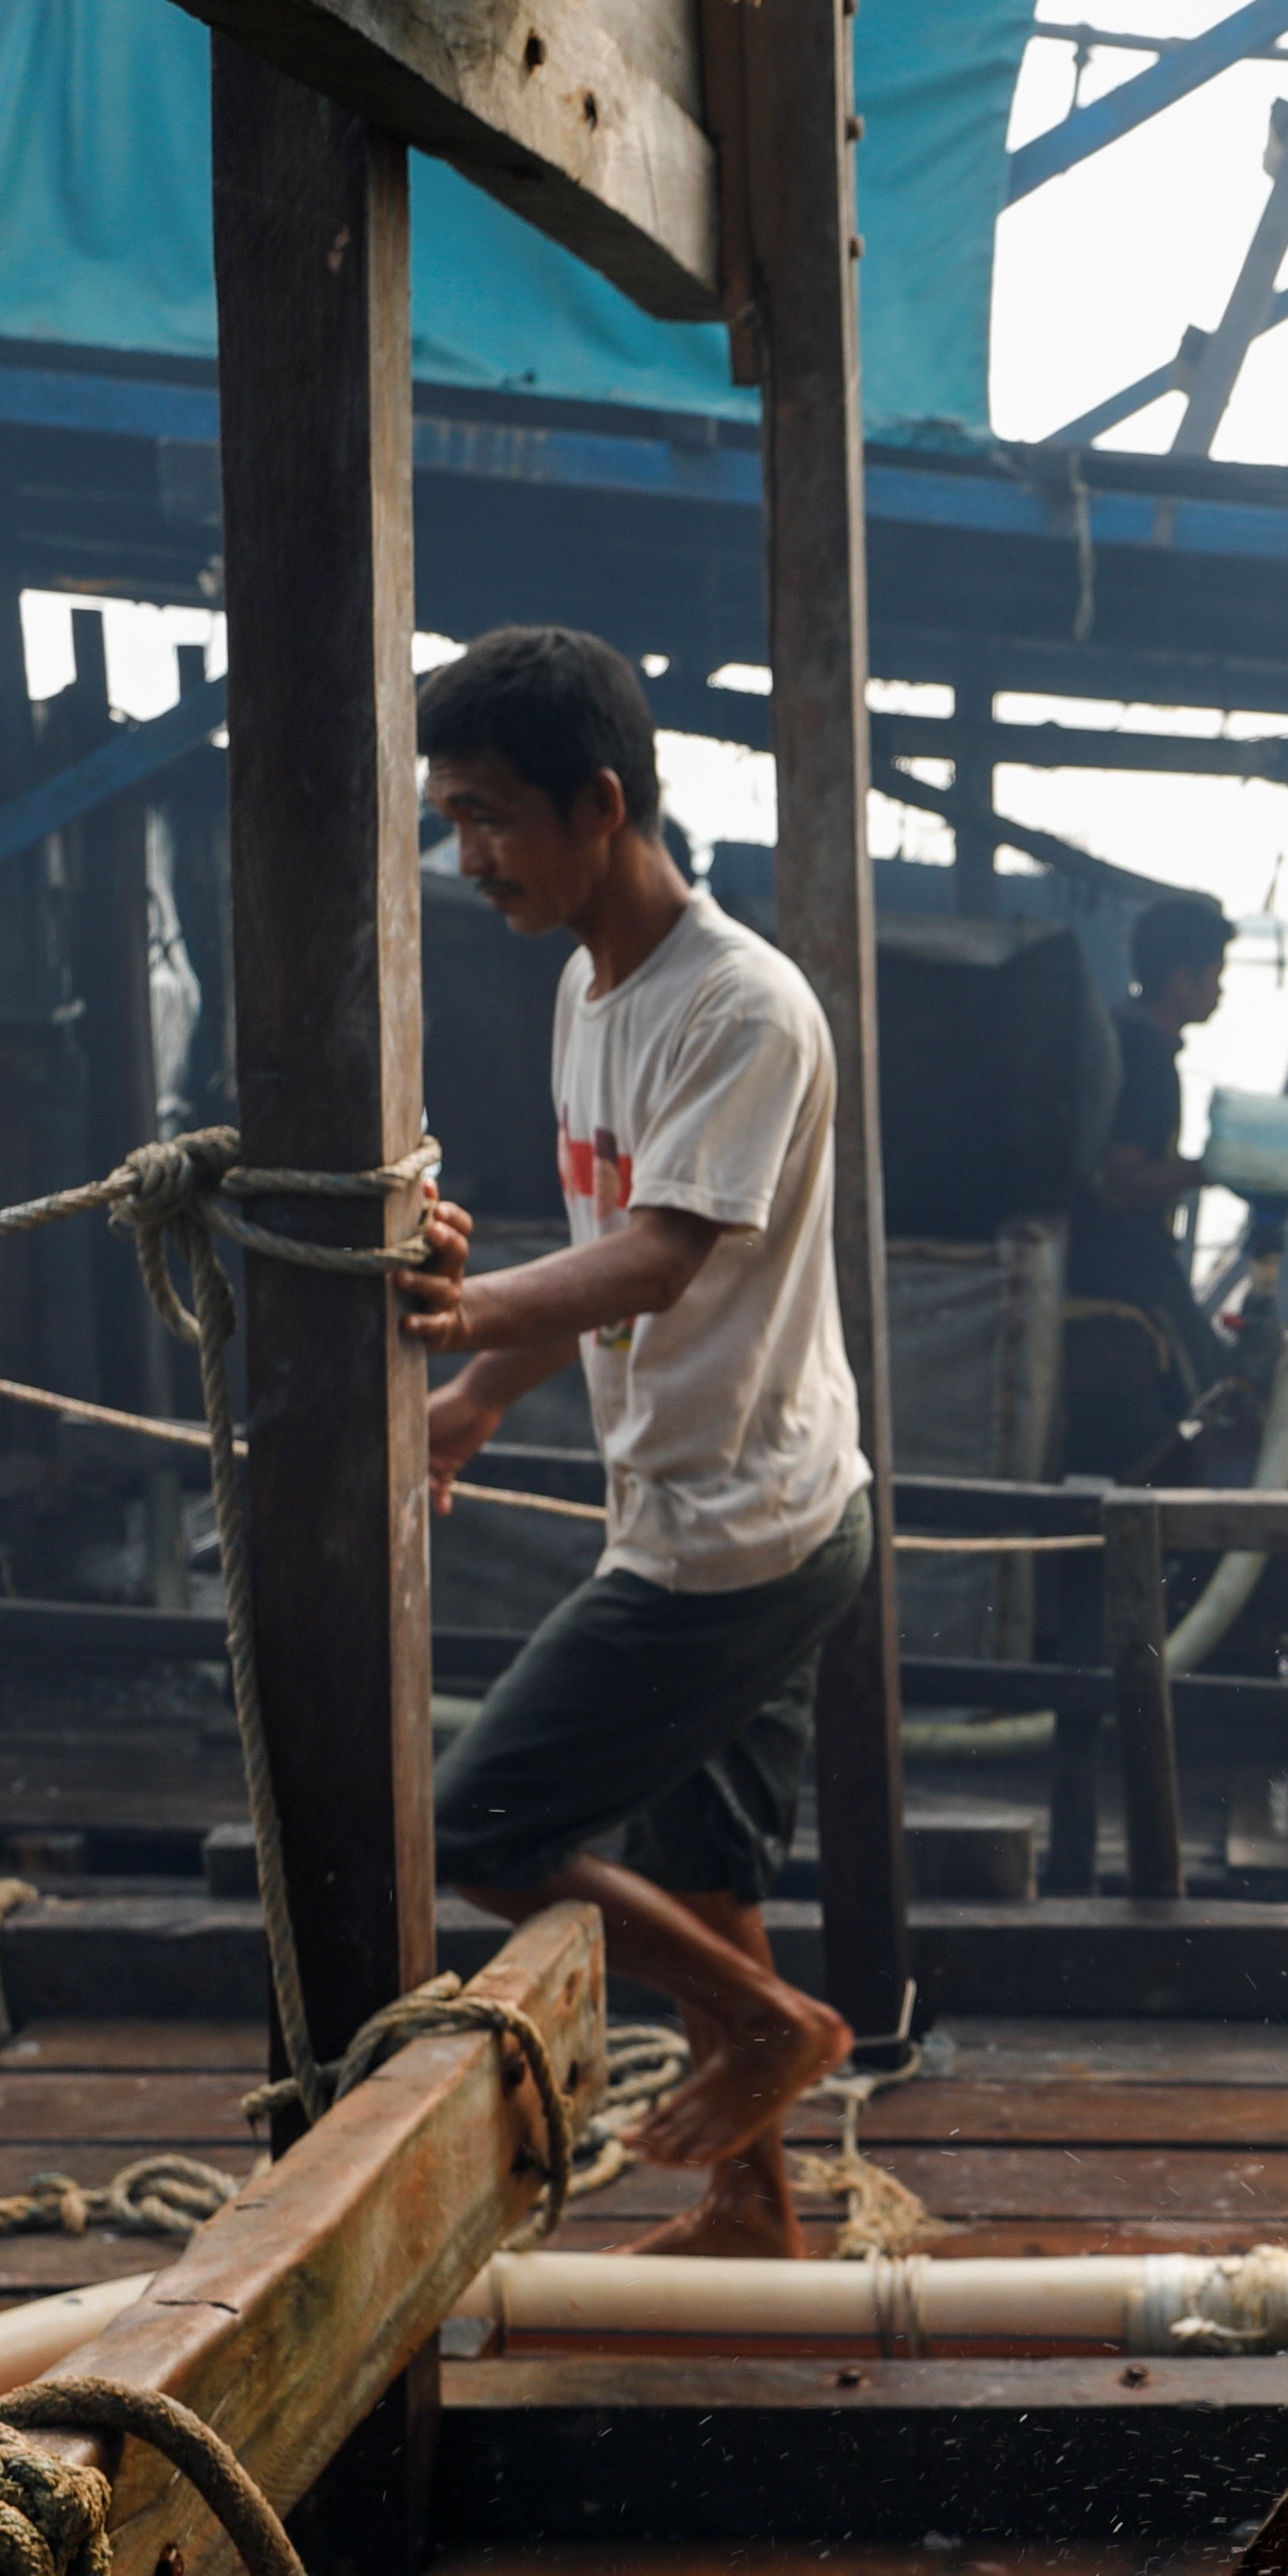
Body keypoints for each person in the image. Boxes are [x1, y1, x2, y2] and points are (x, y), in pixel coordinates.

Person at [396, 626, 877, 2263]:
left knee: (480, 1831)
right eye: (452, 820)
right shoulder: (586, 985)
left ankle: (771, 2023)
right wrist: (482, 1393)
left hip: (739, 1526)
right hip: (724, 1492)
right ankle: (756, 2212)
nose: (470, 859)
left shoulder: (739, 1006)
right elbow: (605, 1239)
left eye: (493, 819)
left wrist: (458, 1319)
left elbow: (664, 1255)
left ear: (602, 802)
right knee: (702, 1849)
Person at [1063, 895, 1234, 1481]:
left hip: (1093, 1257)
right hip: (1125, 1267)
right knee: (1209, 1394)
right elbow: (1120, 1176)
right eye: (1215, 975)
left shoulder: (1118, 1032)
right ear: (1182, 980)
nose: (1221, 990)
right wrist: (1216, 1167)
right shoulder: (1147, 1058)